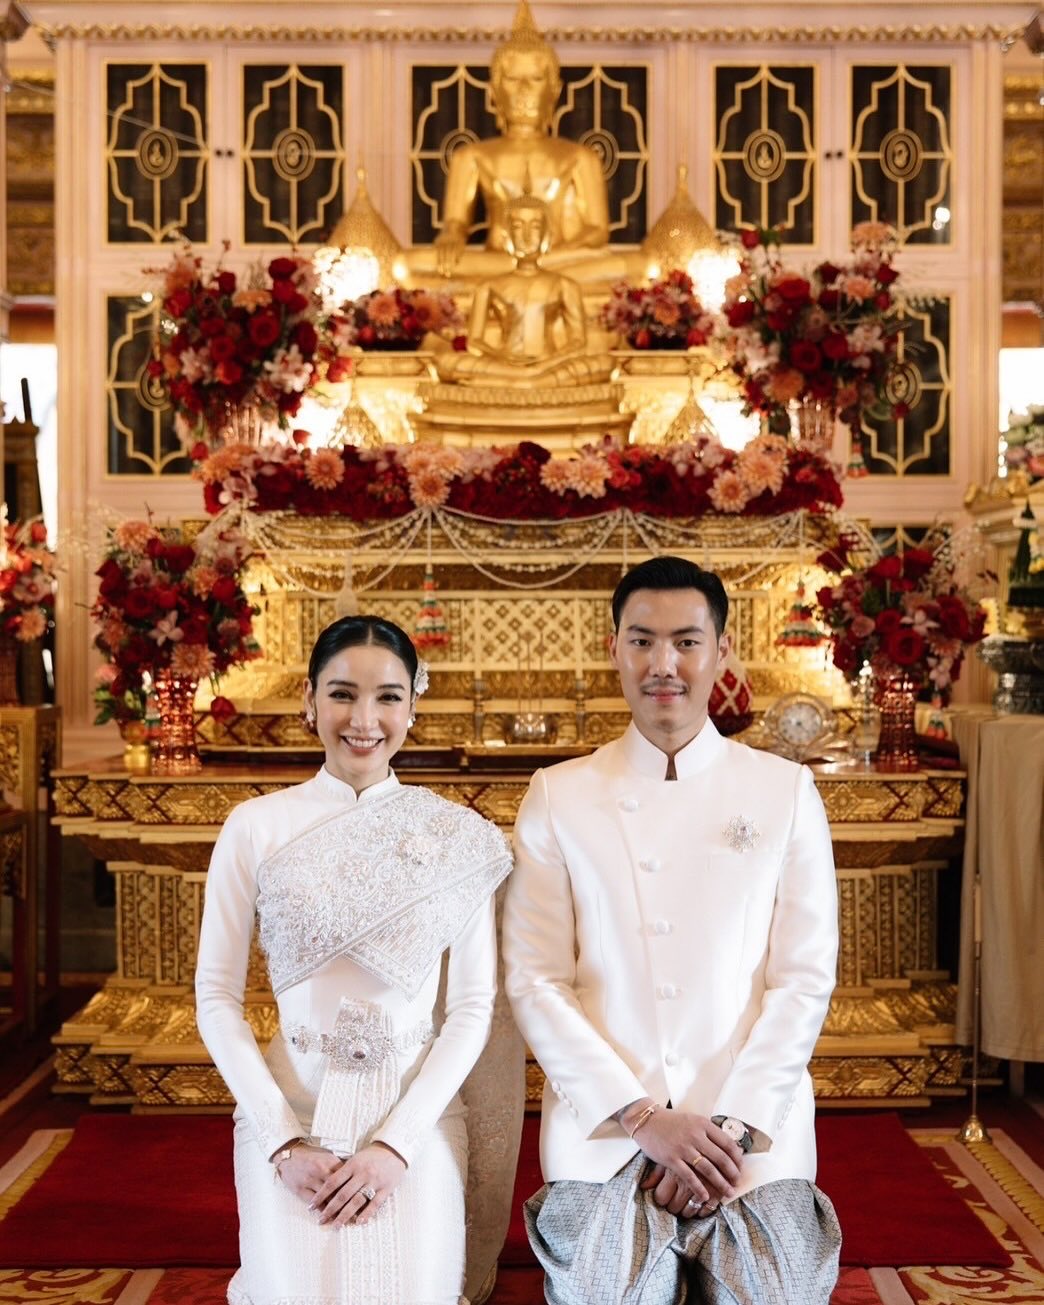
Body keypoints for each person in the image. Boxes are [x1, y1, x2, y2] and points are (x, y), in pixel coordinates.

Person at [503, 555, 842, 1304]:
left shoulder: (784, 790)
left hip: (752, 1131)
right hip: (608, 1129)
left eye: (687, 642)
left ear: (722, 651)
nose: (664, 664)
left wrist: (730, 1131)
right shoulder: (559, 795)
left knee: (773, 1294)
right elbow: (535, 978)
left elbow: (803, 978)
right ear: (614, 648)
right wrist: (643, 1118)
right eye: (642, 641)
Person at [196, 615, 519, 1305]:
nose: (364, 720)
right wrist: (282, 1141)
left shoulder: (457, 836)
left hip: (415, 1118)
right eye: (342, 694)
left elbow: (471, 1009)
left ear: (413, 705)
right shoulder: (254, 826)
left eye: (388, 697)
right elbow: (216, 997)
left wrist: (396, 1145)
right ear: (309, 700)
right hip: (288, 1111)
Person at [434, 192, 611, 388]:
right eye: (518, 227)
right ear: (506, 236)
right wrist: (502, 359)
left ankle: (513, 382)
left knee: (605, 363)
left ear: (548, 236)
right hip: (505, 364)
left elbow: (578, 343)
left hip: (549, 364)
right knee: (445, 362)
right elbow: (474, 342)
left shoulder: (565, 285)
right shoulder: (489, 286)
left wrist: (546, 363)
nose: (527, 236)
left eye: (535, 227)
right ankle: (533, 381)